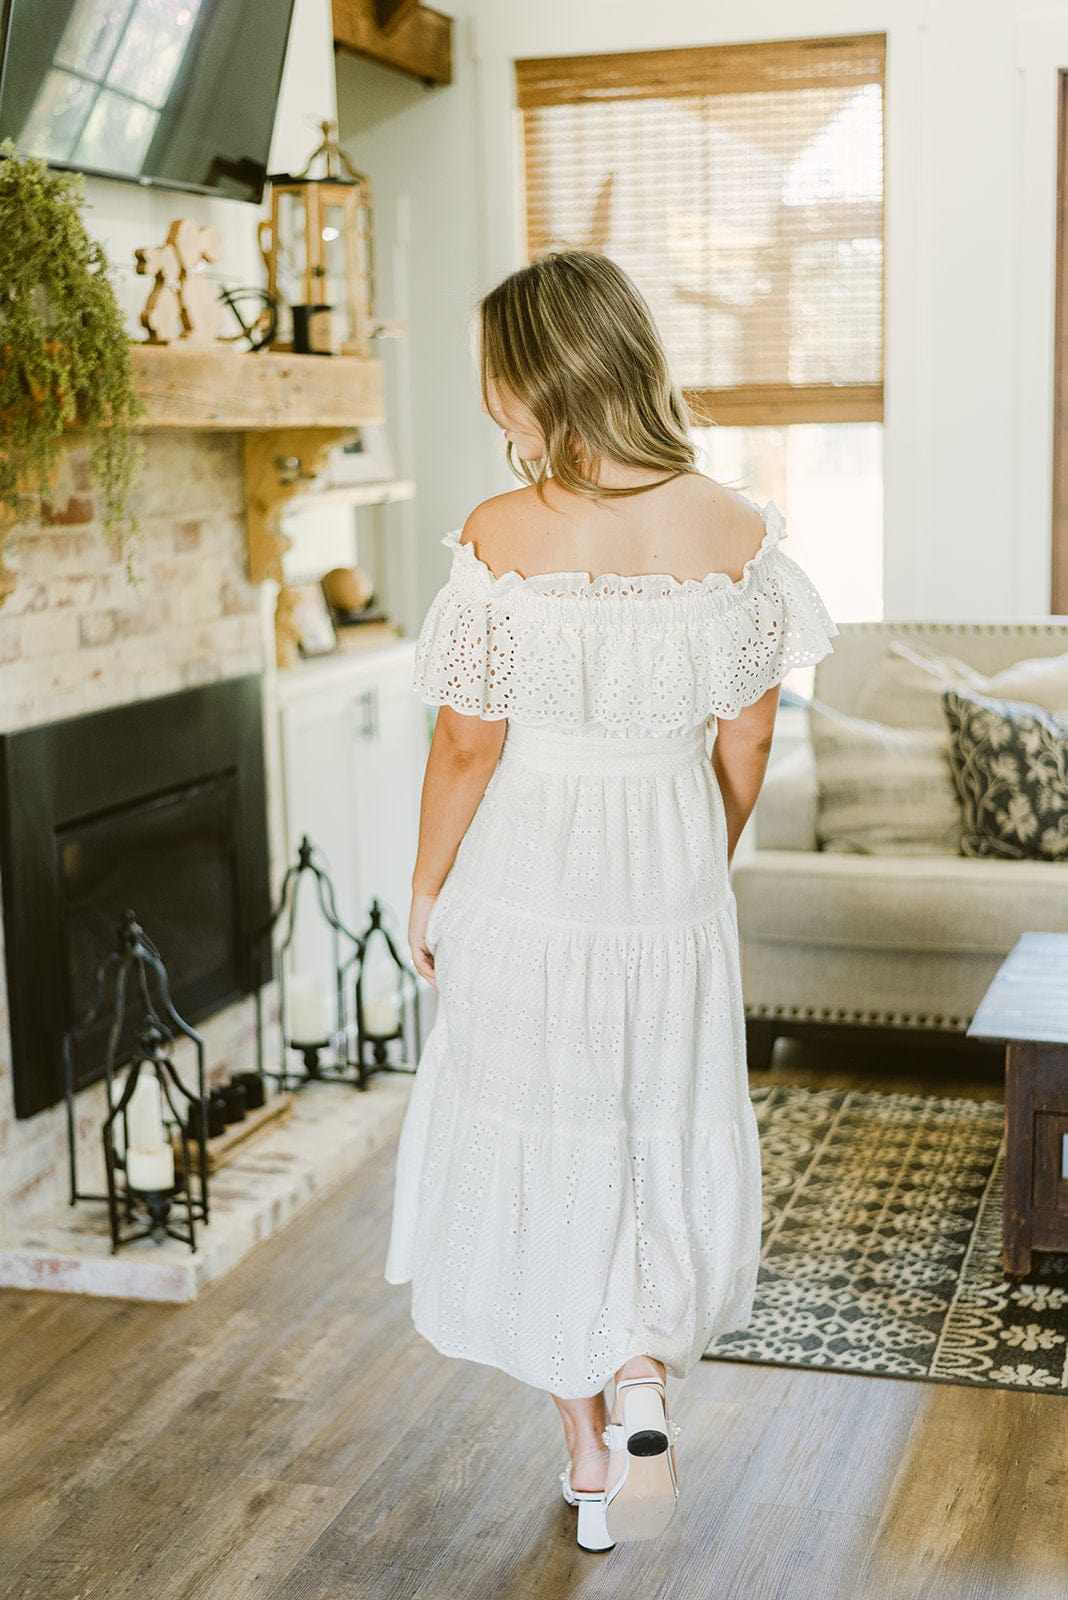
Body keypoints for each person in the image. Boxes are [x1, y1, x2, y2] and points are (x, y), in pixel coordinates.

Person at [383, 249, 838, 1552]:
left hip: (532, 872)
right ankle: (638, 1375)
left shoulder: (501, 536)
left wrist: (425, 886)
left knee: (547, 1134)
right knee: (646, 1129)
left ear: (544, 376)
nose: (490, 408)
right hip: (670, 872)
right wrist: (699, 851)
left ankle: (591, 1460)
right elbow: (747, 744)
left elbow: (467, 747)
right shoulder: (737, 533)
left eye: (497, 380)